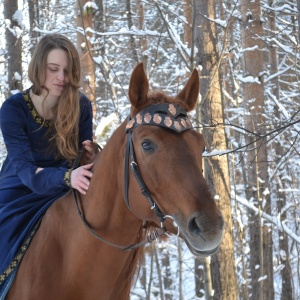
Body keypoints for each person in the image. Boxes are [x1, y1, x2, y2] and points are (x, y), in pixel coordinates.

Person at [0, 34, 97, 282]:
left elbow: (83, 160)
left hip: (68, 185)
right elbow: (27, 172)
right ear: (38, 67)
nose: (62, 78)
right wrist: (68, 177)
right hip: (20, 189)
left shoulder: (81, 105)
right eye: (53, 69)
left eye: (67, 70)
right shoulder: (13, 110)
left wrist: (92, 157)